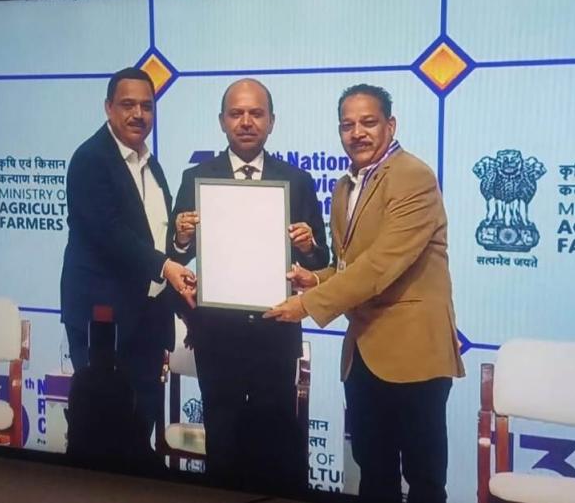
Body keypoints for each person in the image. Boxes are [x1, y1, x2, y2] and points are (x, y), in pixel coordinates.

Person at [264, 84, 465, 503]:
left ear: (391, 125)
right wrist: (316, 279)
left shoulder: (413, 176)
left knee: (424, 479)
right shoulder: (344, 187)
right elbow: (349, 266)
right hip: (363, 353)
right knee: (373, 473)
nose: (357, 133)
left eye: (368, 122)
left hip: (414, 353)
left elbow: (383, 263)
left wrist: (308, 304)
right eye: (347, 125)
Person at [172, 78, 328, 495]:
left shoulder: (296, 180)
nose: (246, 122)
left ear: (271, 121)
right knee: (222, 442)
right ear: (221, 121)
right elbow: (176, 257)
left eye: (256, 114)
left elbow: (321, 262)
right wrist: (182, 238)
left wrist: (309, 247)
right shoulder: (196, 178)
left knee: (275, 444)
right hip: (217, 338)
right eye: (236, 113)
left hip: (275, 334)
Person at [60, 67, 196, 464]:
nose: (138, 114)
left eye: (147, 106)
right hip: (104, 321)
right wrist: (166, 265)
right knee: (101, 435)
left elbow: (154, 236)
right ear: (108, 108)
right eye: (128, 105)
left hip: (148, 320)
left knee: (140, 429)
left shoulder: (150, 164)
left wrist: (179, 244)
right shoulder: (90, 160)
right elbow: (109, 233)